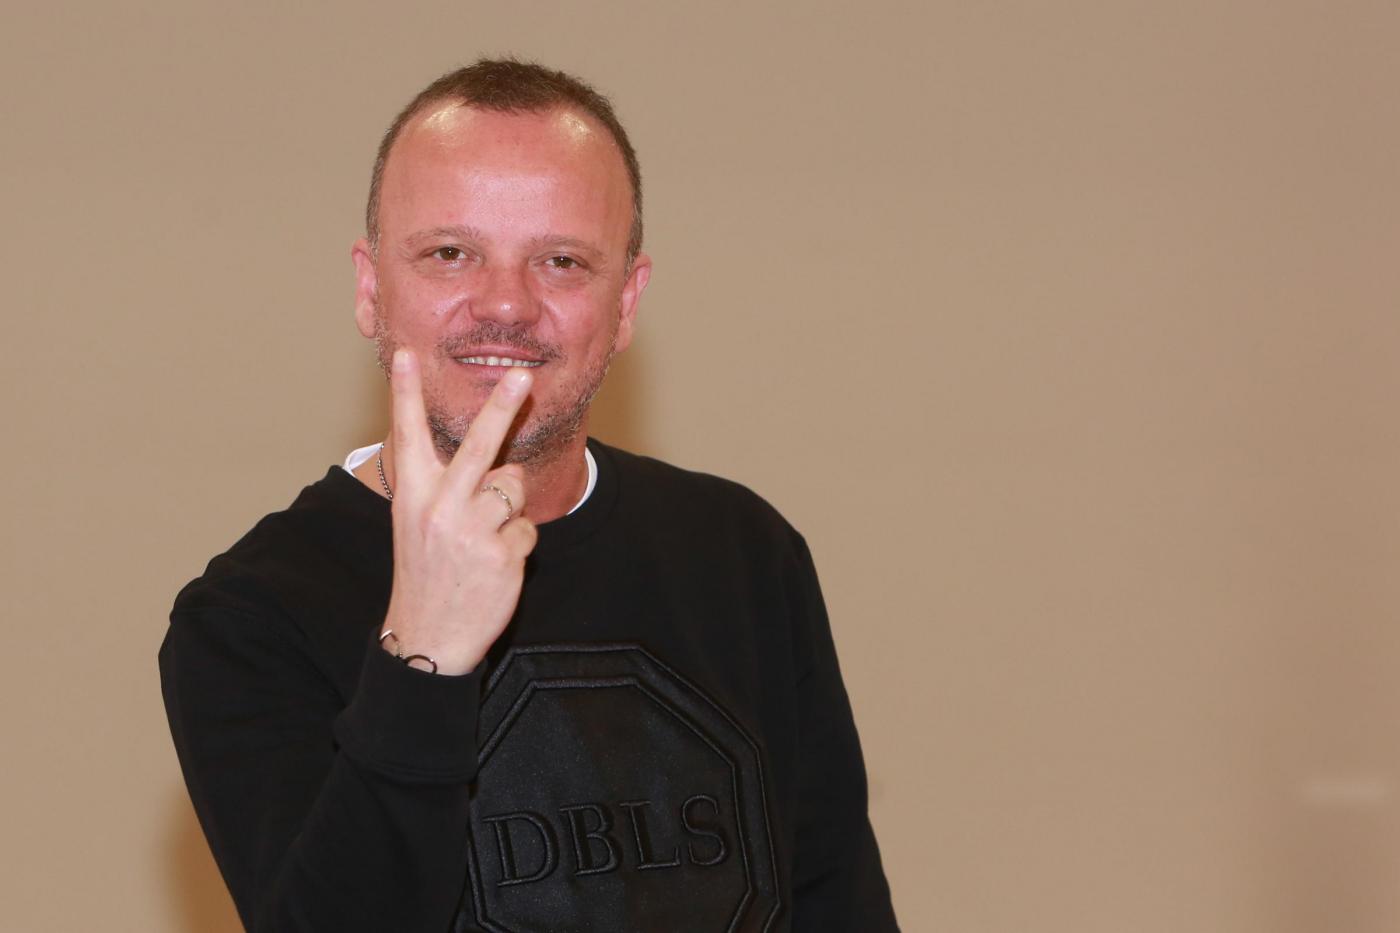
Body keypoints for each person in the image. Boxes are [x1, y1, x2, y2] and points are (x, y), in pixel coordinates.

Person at [160, 58, 898, 933]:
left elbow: (838, 903)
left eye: (561, 260)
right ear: (370, 289)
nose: (506, 304)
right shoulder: (250, 616)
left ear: (626, 303)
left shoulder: (742, 553)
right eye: (450, 253)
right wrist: (423, 657)